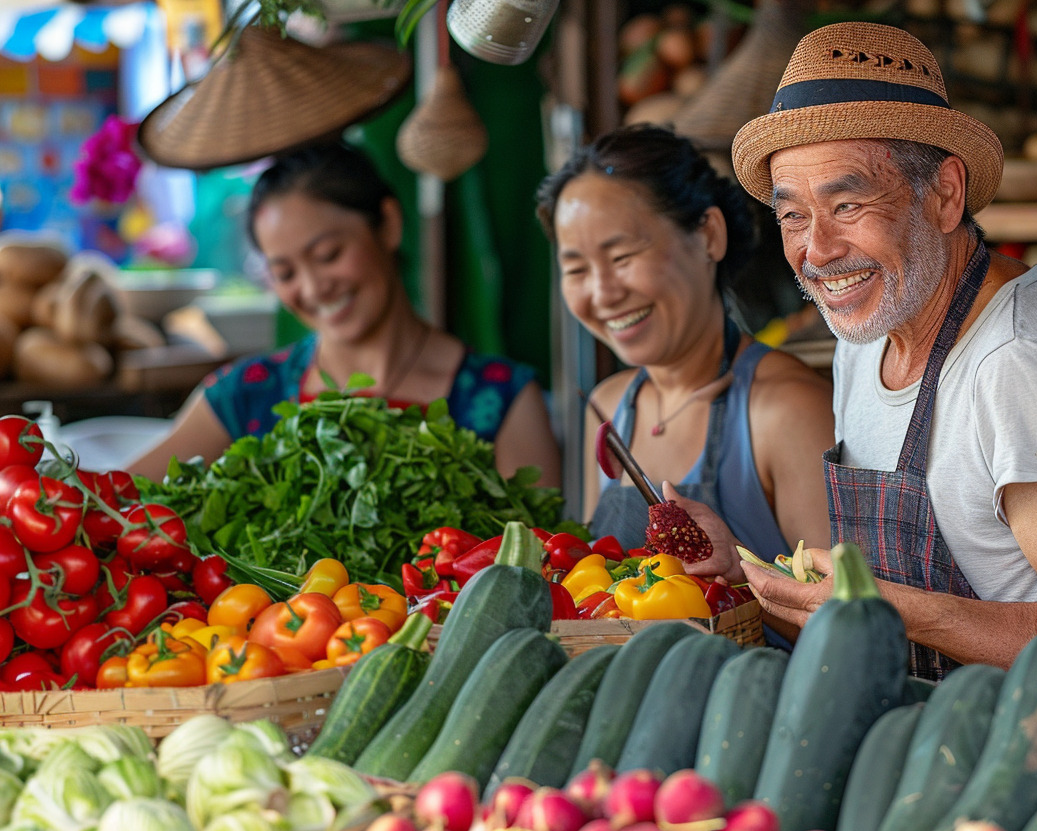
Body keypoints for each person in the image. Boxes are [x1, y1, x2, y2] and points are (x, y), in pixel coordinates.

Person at [674, 21, 1037, 708]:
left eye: (848, 204)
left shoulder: (1020, 365)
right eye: (793, 217)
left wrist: (898, 609)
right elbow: (867, 606)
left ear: (944, 195)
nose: (817, 250)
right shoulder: (865, 338)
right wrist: (744, 573)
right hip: (919, 749)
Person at [128, 143, 561, 486]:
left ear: (388, 224)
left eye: (328, 254)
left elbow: (534, 571)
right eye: (285, 272)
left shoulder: (502, 401)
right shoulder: (247, 396)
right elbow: (117, 500)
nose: (314, 288)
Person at [535, 124, 834, 565]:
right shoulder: (609, 406)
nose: (602, 294)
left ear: (708, 234)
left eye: (622, 258)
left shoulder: (788, 410)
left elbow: (842, 618)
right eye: (576, 269)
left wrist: (738, 575)